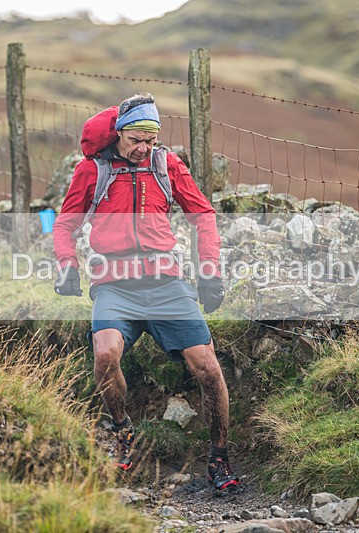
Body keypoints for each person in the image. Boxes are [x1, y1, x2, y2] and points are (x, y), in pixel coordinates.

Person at [52, 93, 240, 492]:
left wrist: (210, 272)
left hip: (166, 282)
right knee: (105, 354)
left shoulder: (167, 164)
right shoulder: (93, 170)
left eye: (150, 141)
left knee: (208, 368)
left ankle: (219, 458)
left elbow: (203, 215)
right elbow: (64, 225)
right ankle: (123, 433)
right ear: (119, 132)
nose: (143, 149)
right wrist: (67, 265)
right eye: (137, 139)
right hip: (114, 286)